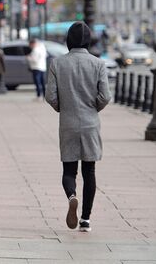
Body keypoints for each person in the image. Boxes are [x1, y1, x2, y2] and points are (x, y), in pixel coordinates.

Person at [45, 22, 111, 233]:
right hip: (90, 123)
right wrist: (94, 108)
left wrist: (61, 109)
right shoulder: (98, 64)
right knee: (89, 171)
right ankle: (85, 219)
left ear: (68, 40)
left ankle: (72, 196)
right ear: (88, 40)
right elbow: (105, 96)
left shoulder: (58, 64)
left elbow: (50, 96)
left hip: (68, 122)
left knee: (69, 170)